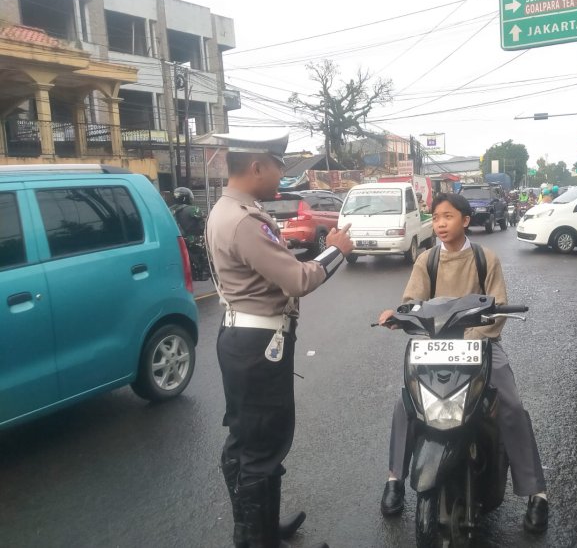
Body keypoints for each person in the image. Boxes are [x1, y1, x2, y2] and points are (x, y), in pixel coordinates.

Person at [205, 132, 353, 548]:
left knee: (247, 439)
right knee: (262, 446)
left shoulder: (226, 209)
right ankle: (259, 540)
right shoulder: (245, 220)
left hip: (242, 337)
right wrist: (336, 249)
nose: (281, 176)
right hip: (258, 346)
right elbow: (297, 279)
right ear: (256, 167)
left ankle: (258, 529)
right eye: (278, 167)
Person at [377, 193, 549, 534]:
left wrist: (472, 337)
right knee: (406, 402)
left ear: (465, 220)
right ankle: (395, 477)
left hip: (481, 346)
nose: (440, 223)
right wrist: (399, 315)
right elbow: (411, 302)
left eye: (448, 216)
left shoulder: (486, 259)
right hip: (436, 347)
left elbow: (498, 306)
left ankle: (536, 492)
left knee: (511, 405)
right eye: (436, 217)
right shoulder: (426, 260)